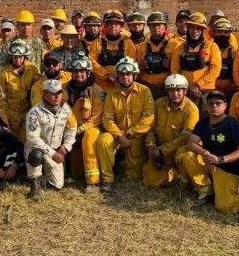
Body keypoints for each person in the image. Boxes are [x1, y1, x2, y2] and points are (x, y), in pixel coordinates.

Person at [181, 91, 239, 213]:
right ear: (206, 106)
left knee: (228, 208)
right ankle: (205, 190)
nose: (214, 106)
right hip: (209, 164)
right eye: (211, 104)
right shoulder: (203, 123)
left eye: (218, 103)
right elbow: (190, 143)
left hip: (228, 168)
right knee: (188, 156)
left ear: (225, 106)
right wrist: (205, 153)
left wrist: (220, 159)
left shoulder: (233, 124)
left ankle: (234, 189)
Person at [97, 57, 155, 190]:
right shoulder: (111, 94)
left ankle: (122, 165)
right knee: (103, 140)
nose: (125, 77)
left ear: (134, 75)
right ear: (117, 75)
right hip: (117, 135)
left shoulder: (145, 91)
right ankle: (107, 180)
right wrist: (119, 136)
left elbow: (148, 119)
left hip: (137, 136)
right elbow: (107, 119)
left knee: (133, 177)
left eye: (128, 74)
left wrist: (128, 133)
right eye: (122, 74)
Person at [142, 74, 199, 189]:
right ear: (167, 91)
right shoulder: (158, 104)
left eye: (179, 90)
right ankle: (172, 176)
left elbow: (185, 138)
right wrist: (151, 145)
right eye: (171, 90)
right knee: (149, 182)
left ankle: (182, 178)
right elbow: (151, 127)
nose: (175, 94)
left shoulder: (192, 110)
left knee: (183, 155)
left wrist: (162, 150)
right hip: (160, 150)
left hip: (179, 150)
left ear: (185, 91)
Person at [24, 79, 78, 200]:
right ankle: (35, 188)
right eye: (53, 93)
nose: (57, 96)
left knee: (57, 185)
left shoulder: (66, 109)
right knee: (36, 155)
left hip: (56, 149)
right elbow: (32, 137)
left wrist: (66, 146)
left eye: (59, 92)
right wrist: (52, 153)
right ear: (44, 94)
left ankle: (43, 180)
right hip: (37, 148)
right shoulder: (34, 112)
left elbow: (72, 128)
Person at [65, 56, 105, 193]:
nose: (79, 74)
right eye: (75, 71)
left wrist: (81, 129)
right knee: (76, 172)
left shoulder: (97, 91)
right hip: (70, 129)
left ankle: (93, 183)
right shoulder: (64, 89)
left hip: (90, 128)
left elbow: (97, 117)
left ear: (88, 73)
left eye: (82, 71)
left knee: (89, 139)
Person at [171, 13, 222, 106]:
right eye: (192, 28)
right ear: (188, 29)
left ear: (203, 31)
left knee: (206, 119)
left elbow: (215, 69)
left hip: (206, 91)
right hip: (185, 91)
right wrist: (186, 86)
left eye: (198, 28)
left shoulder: (212, 46)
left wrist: (197, 85)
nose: (195, 31)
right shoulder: (179, 48)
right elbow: (174, 70)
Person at [0, 40, 40, 139]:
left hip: (28, 113)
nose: (18, 60)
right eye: (15, 57)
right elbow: (0, 98)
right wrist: (5, 119)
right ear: (11, 57)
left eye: (20, 57)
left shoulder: (33, 69)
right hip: (11, 114)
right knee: (13, 142)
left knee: (27, 141)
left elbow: (38, 90)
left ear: (25, 57)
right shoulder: (3, 74)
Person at [89, 10, 129, 92]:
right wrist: (107, 75)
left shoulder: (128, 44)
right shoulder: (96, 43)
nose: (113, 26)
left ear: (121, 27)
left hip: (121, 87)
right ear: (105, 26)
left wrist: (119, 76)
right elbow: (91, 62)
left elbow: (131, 63)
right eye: (110, 23)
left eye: (116, 24)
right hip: (101, 88)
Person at [139, 12, 175, 100]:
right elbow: (137, 68)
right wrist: (141, 67)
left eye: (159, 25)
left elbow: (179, 66)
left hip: (167, 85)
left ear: (165, 27)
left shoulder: (174, 44)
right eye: (153, 25)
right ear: (149, 27)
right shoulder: (142, 46)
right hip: (147, 85)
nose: (156, 27)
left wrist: (170, 65)